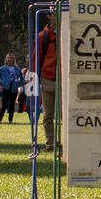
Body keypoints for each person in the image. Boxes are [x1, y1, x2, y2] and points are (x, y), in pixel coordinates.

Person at [34, 13, 59, 150]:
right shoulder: (43, 36)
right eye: (55, 14)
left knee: (67, 114)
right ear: (49, 16)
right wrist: (35, 79)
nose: (58, 16)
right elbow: (36, 59)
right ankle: (50, 142)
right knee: (48, 115)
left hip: (65, 79)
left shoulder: (68, 33)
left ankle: (66, 142)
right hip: (48, 79)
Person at [0, 53, 21, 122]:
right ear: (6, 59)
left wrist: (18, 84)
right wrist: (2, 81)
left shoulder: (17, 69)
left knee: (12, 105)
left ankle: (10, 120)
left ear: (13, 60)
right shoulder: (3, 68)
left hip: (14, 89)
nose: (9, 59)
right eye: (8, 58)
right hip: (6, 88)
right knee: (4, 105)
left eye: (11, 58)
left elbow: (22, 78)